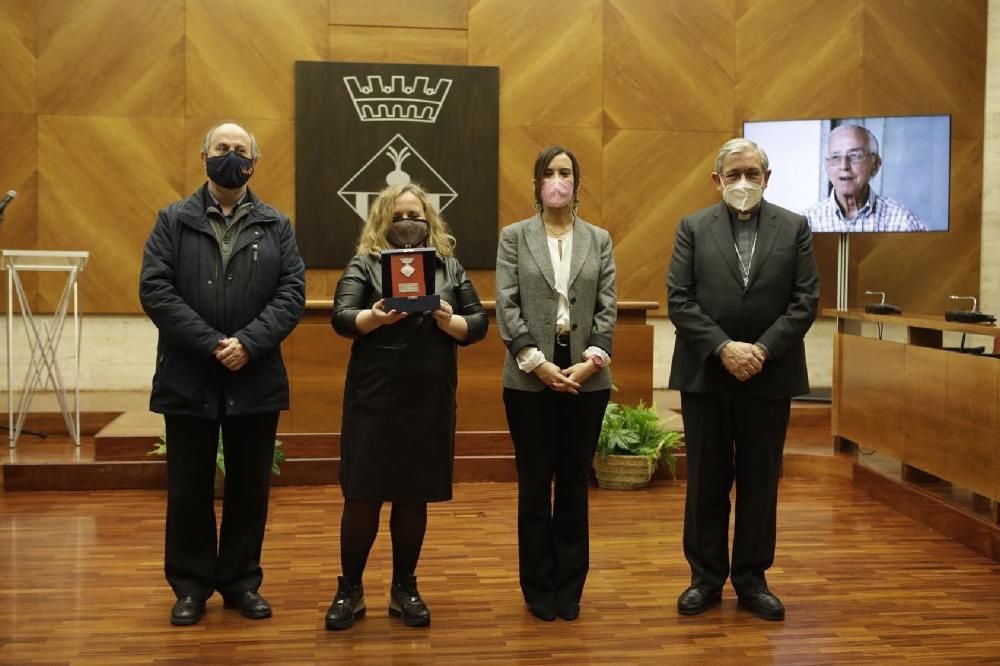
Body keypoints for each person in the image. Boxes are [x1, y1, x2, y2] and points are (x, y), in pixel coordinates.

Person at [139, 122, 306, 626]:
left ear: (254, 161)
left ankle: (240, 583)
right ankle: (190, 587)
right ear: (203, 156)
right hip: (188, 376)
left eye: (239, 151)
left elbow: (291, 293)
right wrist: (212, 343)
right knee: (188, 488)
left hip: (255, 377)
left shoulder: (277, 224)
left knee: (249, 489)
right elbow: (156, 290)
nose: (230, 157)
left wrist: (249, 343)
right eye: (221, 149)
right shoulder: (173, 220)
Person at [667, 138, 819, 622]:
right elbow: (680, 298)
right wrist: (724, 348)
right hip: (707, 373)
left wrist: (761, 350)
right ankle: (705, 579)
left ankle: (752, 580)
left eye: (752, 173)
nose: (743, 183)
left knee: (759, 484)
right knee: (706, 483)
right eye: (733, 175)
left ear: (767, 178)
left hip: (768, 376)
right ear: (717, 180)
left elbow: (805, 300)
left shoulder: (794, 228)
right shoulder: (692, 227)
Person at [325, 183, 488, 630]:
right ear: (383, 221)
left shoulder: (448, 266)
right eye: (398, 217)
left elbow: (478, 324)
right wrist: (375, 316)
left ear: (429, 219)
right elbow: (341, 318)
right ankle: (350, 589)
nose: (407, 223)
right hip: (373, 401)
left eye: (415, 215)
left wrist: (447, 319)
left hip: (428, 400)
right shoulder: (365, 263)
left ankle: (405, 587)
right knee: (362, 498)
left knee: (414, 499)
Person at [496, 146, 616, 622]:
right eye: (549, 172)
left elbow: (608, 305)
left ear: (577, 182)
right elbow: (506, 302)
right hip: (529, 380)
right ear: (536, 183)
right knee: (533, 486)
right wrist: (536, 362)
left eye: (565, 172)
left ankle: (570, 588)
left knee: (572, 486)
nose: (557, 179)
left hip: (587, 379)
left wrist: (591, 362)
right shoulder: (514, 237)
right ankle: (538, 588)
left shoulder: (599, 239)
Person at [803, 124, 927, 232]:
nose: (844, 166)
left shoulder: (903, 222)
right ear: (827, 167)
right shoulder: (806, 224)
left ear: (875, 165)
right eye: (835, 157)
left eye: (855, 156)